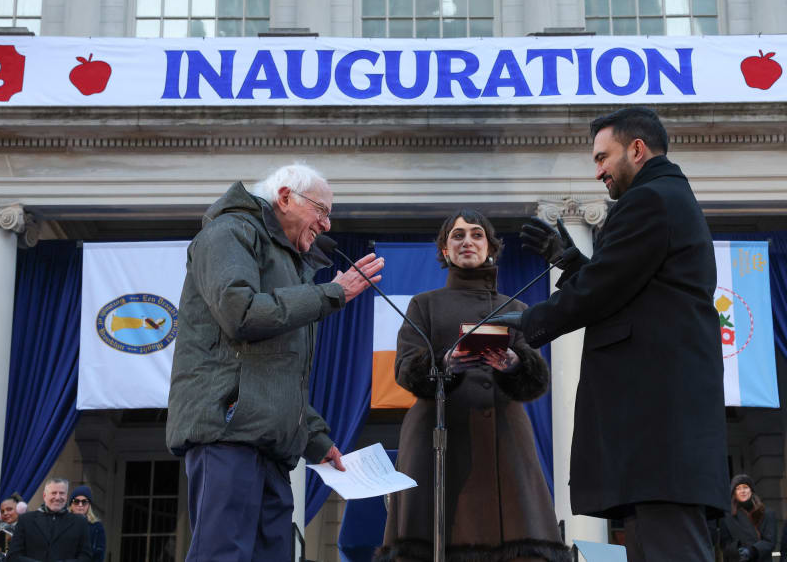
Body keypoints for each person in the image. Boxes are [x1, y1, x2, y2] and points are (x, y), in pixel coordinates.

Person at [486, 106, 729, 561]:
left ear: (636, 150)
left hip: (657, 434)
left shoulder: (649, 199)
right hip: (660, 438)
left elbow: (605, 288)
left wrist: (531, 322)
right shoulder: (667, 197)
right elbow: (632, 285)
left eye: (602, 157)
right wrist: (572, 263)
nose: (597, 171)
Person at [165, 163, 385, 562]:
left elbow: (276, 369)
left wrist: (315, 438)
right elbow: (241, 313)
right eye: (321, 210)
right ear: (285, 197)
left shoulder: (289, 262)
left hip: (269, 443)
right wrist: (331, 293)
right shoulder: (229, 231)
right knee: (223, 555)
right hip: (228, 432)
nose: (327, 224)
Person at [375, 209, 570, 562]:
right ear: (445, 250)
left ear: (490, 248)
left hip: (504, 439)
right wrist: (444, 364)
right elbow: (404, 369)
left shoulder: (515, 306)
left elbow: (536, 380)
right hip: (438, 437)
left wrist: (514, 364)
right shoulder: (424, 304)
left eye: (477, 234)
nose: (468, 241)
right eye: (458, 235)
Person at [7, 478, 91, 562]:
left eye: (62, 493)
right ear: (44, 496)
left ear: (66, 496)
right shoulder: (26, 520)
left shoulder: (80, 522)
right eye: (53, 493)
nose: (57, 497)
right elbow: (13, 556)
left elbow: (86, 557)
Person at [719, 474, 776, 562]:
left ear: (751, 490)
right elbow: (724, 544)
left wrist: (752, 551)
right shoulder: (726, 516)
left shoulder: (767, 513)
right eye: (738, 488)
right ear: (734, 493)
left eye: (745, 487)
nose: (742, 491)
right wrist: (737, 551)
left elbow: (770, 541)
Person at [68, 487, 104, 562]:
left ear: (89, 505)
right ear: (71, 504)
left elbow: (99, 554)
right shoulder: (63, 523)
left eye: (84, 502)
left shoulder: (97, 527)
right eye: (76, 501)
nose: (80, 505)